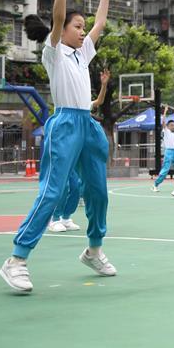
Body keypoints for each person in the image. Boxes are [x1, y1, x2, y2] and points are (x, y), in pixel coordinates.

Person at [0, 0, 117, 293]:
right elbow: (57, 17)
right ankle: (16, 260)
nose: (83, 32)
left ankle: (94, 250)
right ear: (61, 30)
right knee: (52, 192)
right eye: (77, 27)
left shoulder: (83, 54)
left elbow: (100, 25)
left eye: (82, 27)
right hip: (64, 124)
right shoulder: (54, 52)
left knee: (98, 192)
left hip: (88, 125)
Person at [49, 68, 109, 231]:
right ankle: (54, 219)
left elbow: (99, 101)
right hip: (67, 146)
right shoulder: (67, 106)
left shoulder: (84, 106)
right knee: (63, 186)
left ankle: (66, 217)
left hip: (79, 150)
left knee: (75, 186)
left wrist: (104, 85)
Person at [152, 105, 174, 192]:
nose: (173, 126)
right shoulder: (166, 130)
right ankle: (155, 185)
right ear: (168, 126)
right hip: (168, 152)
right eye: (171, 125)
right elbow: (163, 122)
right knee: (165, 169)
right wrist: (165, 111)